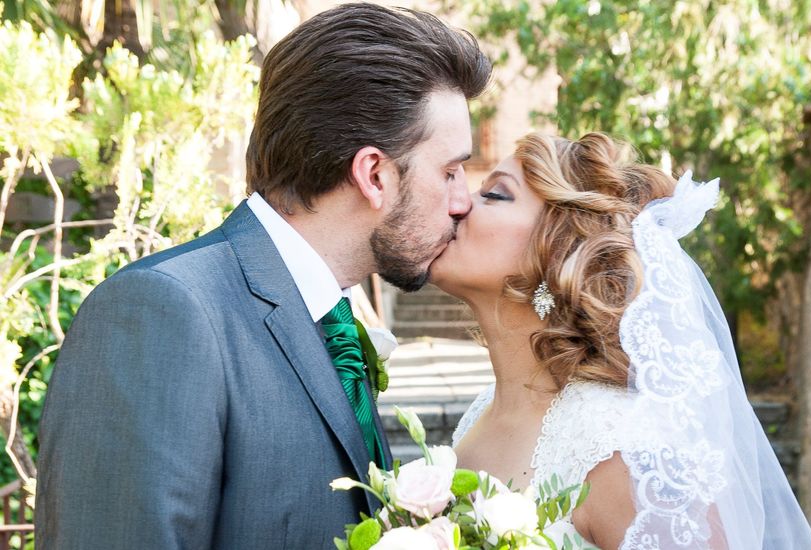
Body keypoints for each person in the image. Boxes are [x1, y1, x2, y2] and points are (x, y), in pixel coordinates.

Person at [36, 4, 491, 548]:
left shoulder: (334, 325)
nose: (463, 201)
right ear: (374, 175)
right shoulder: (162, 313)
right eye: (449, 171)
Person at [432, 132, 811, 549]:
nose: (460, 204)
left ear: (557, 252)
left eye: (495, 194)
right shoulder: (482, 412)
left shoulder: (618, 450)